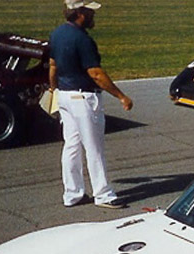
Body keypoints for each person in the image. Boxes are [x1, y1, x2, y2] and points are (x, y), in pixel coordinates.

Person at [48, 0, 133, 209]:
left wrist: (54, 89)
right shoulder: (83, 39)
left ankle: (72, 193)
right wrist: (121, 96)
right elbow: (95, 73)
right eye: (90, 12)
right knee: (94, 147)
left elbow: (53, 66)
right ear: (81, 13)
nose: (93, 16)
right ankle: (103, 194)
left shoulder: (56, 34)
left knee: (71, 146)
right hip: (84, 99)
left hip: (65, 96)